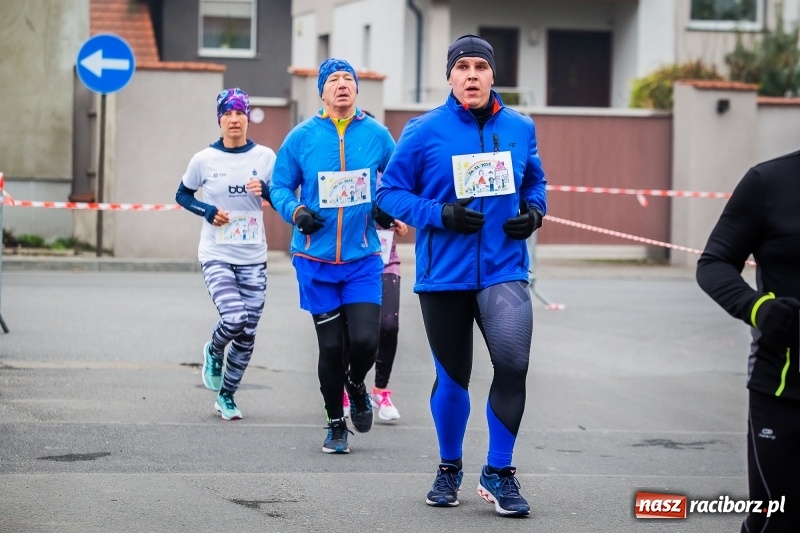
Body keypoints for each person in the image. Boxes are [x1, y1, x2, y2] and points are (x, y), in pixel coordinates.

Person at [376, 34, 547, 516]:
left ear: (493, 75)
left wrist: (533, 213)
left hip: (504, 268)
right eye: (462, 67)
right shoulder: (422, 131)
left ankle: (499, 471)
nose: (471, 75)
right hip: (444, 276)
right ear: (449, 76)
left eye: (480, 67)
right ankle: (450, 466)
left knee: (513, 366)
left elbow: (536, 181)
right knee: (454, 379)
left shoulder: (519, 127)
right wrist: (440, 214)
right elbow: (388, 195)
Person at [269, 58, 397, 454]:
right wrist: (296, 212)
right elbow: (279, 186)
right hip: (316, 261)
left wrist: (386, 208)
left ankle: (357, 384)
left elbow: (398, 181)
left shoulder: (377, 135)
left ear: (357, 89)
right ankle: (334, 423)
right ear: (322, 92)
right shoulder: (302, 137)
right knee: (329, 348)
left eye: (348, 79)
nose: (342, 85)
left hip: (361, 258)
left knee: (365, 341)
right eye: (334, 80)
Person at [696, 150, 800, 533]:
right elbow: (714, 262)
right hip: (784, 387)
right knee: (776, 519)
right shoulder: (769, 181)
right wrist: (756, 308)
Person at [175, 87, 276, 421]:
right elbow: (183, 195)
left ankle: (227, 396)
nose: (234, 120)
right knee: (234, 318)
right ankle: (214, 349)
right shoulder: (204, 159)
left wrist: (269, 192)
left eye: (240, 113)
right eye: (228, 114)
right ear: (219, 119)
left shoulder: (265, 157)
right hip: (216, 252)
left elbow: (282, 198)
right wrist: (206, 210)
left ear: (248, 118)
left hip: (253, 255)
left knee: (248, 333)